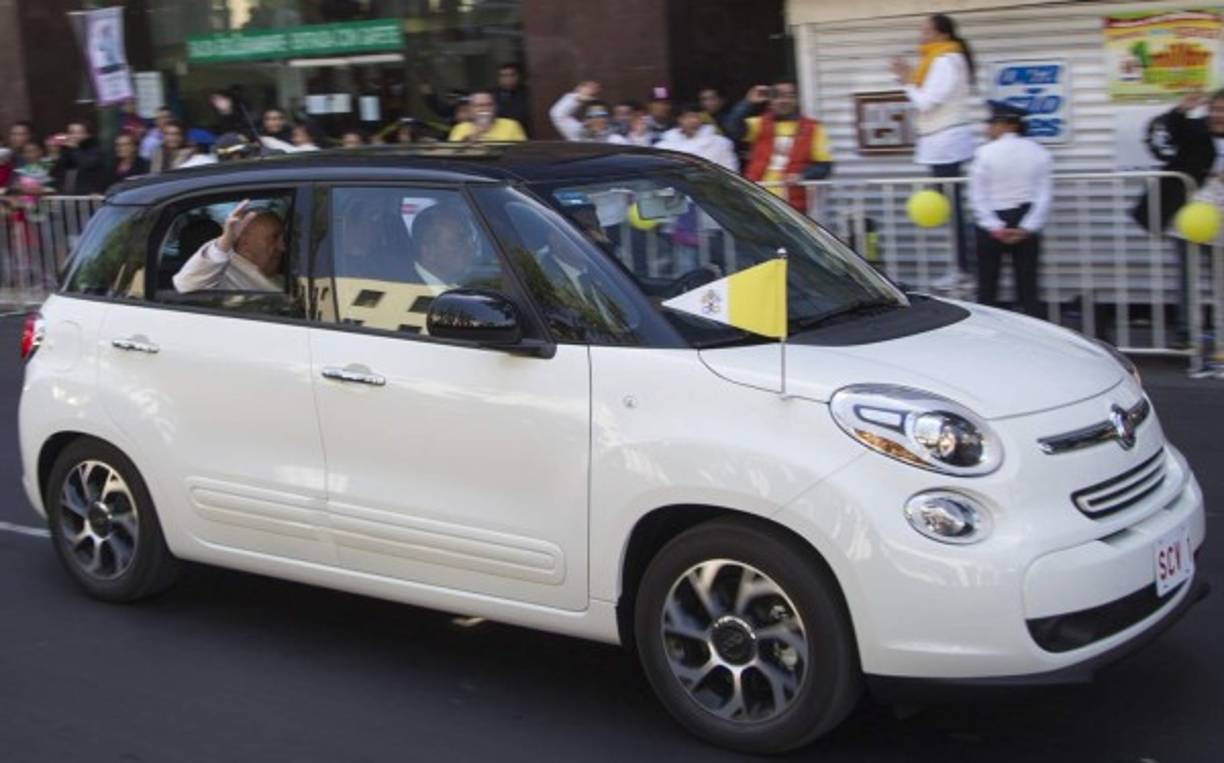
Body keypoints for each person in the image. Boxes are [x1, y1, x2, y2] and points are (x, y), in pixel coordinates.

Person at [891, 13, 978, 290]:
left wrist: (906, 81)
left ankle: (965, 268)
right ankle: (962, 266)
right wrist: (909, 80)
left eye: (926, 31)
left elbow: (927, 102)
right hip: (940, 142)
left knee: (952, 208)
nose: (921, 35)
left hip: (946, 143)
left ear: (942, 34)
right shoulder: (940, 59)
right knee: (950, 208)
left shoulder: (945, 61)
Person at [1132, 90, 1224, 344]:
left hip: (1221, 222)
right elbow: (1166, 131)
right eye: (1215, 109)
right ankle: (1188, 334)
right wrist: (1181, 109)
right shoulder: (1195, 130)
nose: (1219, 115)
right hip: (1188, 220)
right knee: (1187, 279)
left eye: (1223, 110)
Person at [968, 102, 1052, 318]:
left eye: (992, 123)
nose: (988, 128)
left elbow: (978, 196)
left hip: (992, 222)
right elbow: (1043, 196)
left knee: (987, 287)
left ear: (1007, 125)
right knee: (1028, 286)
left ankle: (989, 334)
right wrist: (1027, 228)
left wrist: (995, 227)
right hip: (1025, 218)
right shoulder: (1039, 153)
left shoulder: (984, 153)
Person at [728, 81, 833, 213]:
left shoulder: (814, 128)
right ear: (770, 100)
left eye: (789, 95)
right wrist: (748, 102)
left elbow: (824, 166)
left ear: (797, 99)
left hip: (793, 208)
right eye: (777, 96)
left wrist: (802, 176)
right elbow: (733, 128)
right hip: (757, 202)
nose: (783, 100)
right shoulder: (759, 124)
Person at [173, 199, 285, 293]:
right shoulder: (225, 274)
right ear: (245, 243)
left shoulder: (282, 276)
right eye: (275, 237)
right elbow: (186, 285)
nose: (282, 247)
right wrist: (224, 242)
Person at [410, 203, 480, 288]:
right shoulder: (406, 292)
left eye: (472, 239)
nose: (471, 248)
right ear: (428, 252)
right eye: (458, 241)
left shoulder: (452, 286)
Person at [656, 102, 739, 171]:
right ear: (679, 119)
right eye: (688, 117)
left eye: (696, 117)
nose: (693, 121)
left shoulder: (719, 143)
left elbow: (731, 171)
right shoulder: (664, 146)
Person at [551, 84, 628, 144]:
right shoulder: (578, 135)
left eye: (601, 115)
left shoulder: (616, 140)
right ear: (586, 119)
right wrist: (577, 98)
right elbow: (558, 115)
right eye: (591, 116)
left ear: (607, 118)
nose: (596, 119)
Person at [448, 91, 527, 142]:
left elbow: (521, 152)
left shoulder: (511, 125)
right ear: (471, 110)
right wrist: (476, 133)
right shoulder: (460, 128)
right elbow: (455, 155)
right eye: (479, 106)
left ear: (495, 107)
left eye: (489, 105)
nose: (484, 109)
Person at [55, 121, 108, 195]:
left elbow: (87, 164)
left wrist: (74, 149)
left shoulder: (95, 150)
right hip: (67, 196)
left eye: (78, 132)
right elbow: (57, 171)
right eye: (71, 132)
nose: (74, 136)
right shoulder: (67, 150)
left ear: (88, 135)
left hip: (88, 197)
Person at [494, 62, 532, 137]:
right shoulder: (492, 95)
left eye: (512, 75)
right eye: (504, 76)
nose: (508, 79)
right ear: (499, 78)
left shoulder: (528, 93)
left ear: (518, 76)